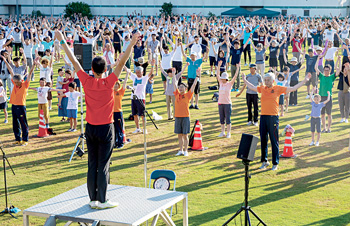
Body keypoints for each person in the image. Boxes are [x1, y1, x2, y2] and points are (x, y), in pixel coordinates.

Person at [55, 30, 140, 209]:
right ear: (105, 69)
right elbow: (122, 60)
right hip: (106, 129)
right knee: (103, 165)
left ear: (92, 69)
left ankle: (93, 199)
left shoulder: (86, 80)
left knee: (92, 163)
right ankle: (102, 200)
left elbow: (74, 61)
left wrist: (62, 40)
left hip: (90, 128)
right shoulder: (109, 82)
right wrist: (131, 43)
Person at [242, 72, 311, 171]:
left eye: (268, 80)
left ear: (273, 80)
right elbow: (252, 87)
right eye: (265, 80)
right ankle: (264, 161)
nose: (266, 82)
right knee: (263, 140)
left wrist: (305, 80)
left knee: (274, 141)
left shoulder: (278, 88)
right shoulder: (262, 88)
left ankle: (275, 163)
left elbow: (293, 88)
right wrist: (245, 80)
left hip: (273, 118)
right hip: (263, 117)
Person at [1, 54, 35, 146]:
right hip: (14, 105)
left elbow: (30, 73)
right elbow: (11, 71)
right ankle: (17, 139)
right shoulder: (15, 82)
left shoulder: (25, 84)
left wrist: (34, 65)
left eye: (17, 82)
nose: (16, 84)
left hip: (21, 106)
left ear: (21, 80)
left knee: (23, 123)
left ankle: (25, 140)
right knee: (15, 123)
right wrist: (5, 61)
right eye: (14, 82)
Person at [173, 68, 199, 157]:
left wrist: (197, 76)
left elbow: (194, 85)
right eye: (179, 87)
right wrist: (173, 74)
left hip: (185, 117)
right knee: (179, 135)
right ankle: (180, 150)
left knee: (185, 135)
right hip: (177, 117)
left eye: (182, 87)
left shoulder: (188, 95)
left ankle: (185, 150)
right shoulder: (177, 94)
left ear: (185, 88)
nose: (180, 88)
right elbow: (173, 84)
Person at [315, 55, 341, 133]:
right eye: (325, 70)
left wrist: (339, 60)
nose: (326, 71)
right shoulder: (321, 76)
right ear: (323, 70)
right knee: (322, 115)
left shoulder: (332, 77)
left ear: (330, 71)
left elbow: (339, 70)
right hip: (321, 98)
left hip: (329, 98)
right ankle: (324, 128)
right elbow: (316, 68)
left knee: (329, 114)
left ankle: (329, 128)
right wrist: (317, 59)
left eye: (327, 70)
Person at [130, 60, 155, 134]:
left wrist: (153, 66)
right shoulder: (134, 77)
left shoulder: (144, 78)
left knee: (142, 115)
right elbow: (127, 71)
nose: (138, 74)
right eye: (136, 72)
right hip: (133, 98)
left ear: (142, 72)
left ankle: (144, 129)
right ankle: (138, 128)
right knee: (135, 114)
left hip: (141, 98)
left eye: (139, 73)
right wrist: (121, 61)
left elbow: (150, 73)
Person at [216, 61, 239, 138]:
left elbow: (235, 77)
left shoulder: (229, 84)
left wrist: (238, 68)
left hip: (227, 104)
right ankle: (223, 132)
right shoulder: (221, 83)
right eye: (222, 78)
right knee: (222, 119)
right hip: (220, 103)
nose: (222, 79)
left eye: (224, 78)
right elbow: (217, 75)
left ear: (226, 79)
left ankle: (228, 133)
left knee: (228, 119)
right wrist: (218, 66)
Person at [113, 67, 129, 149]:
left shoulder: (120, 92)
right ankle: (115, 142)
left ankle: (120, 143)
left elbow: (125, 83)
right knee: (113, 128)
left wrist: (127, 74)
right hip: (112, 113)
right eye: (114, 84)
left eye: (117, 84)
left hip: (118, 112)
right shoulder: (111, 92)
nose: (116, 86)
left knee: (119, 128)